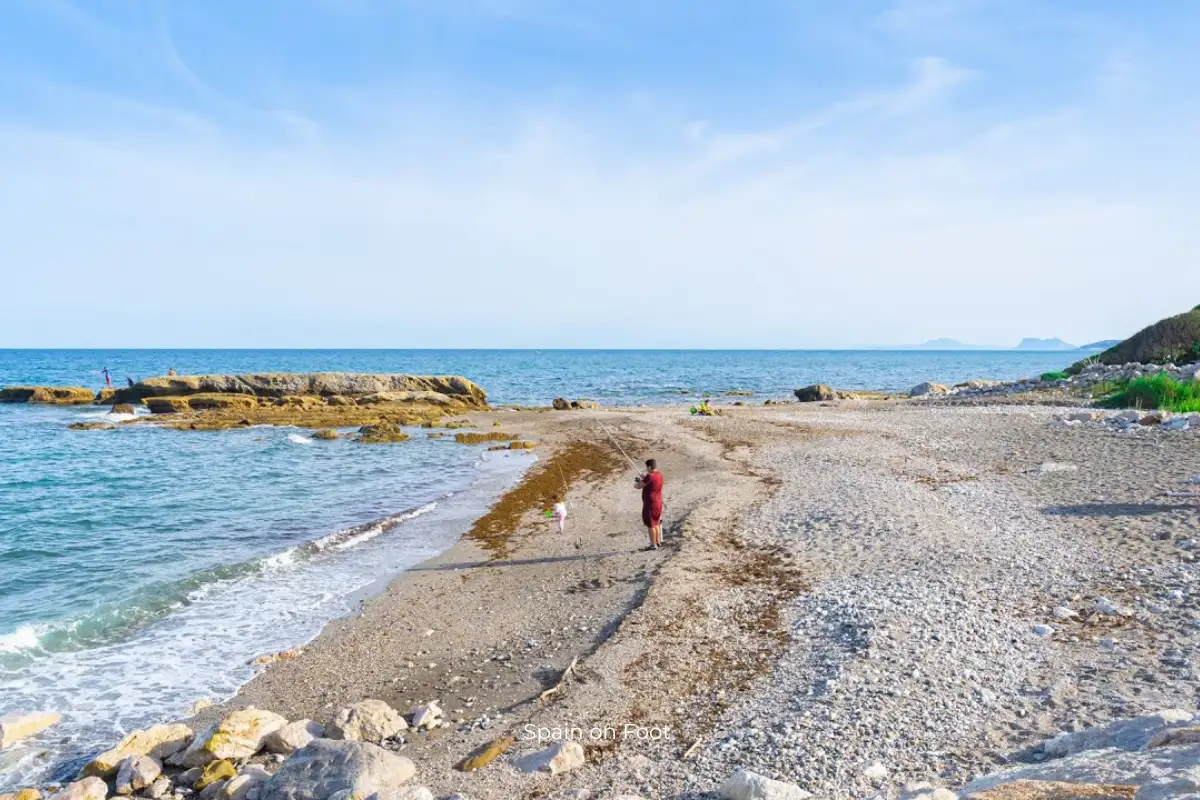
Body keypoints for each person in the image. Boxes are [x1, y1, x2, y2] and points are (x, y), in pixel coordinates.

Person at [635, 458, 664, 550]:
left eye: (647, 467)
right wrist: (644, 478)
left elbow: (638, 486)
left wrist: (638, 482)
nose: (647, 469)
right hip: (658, 503)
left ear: (650, 467)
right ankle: (658, 542)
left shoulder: (650, 476)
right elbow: (651, 481)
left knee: (651, 524)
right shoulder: (659, 475)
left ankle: (653, 545)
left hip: (650, 504)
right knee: (656, 523)